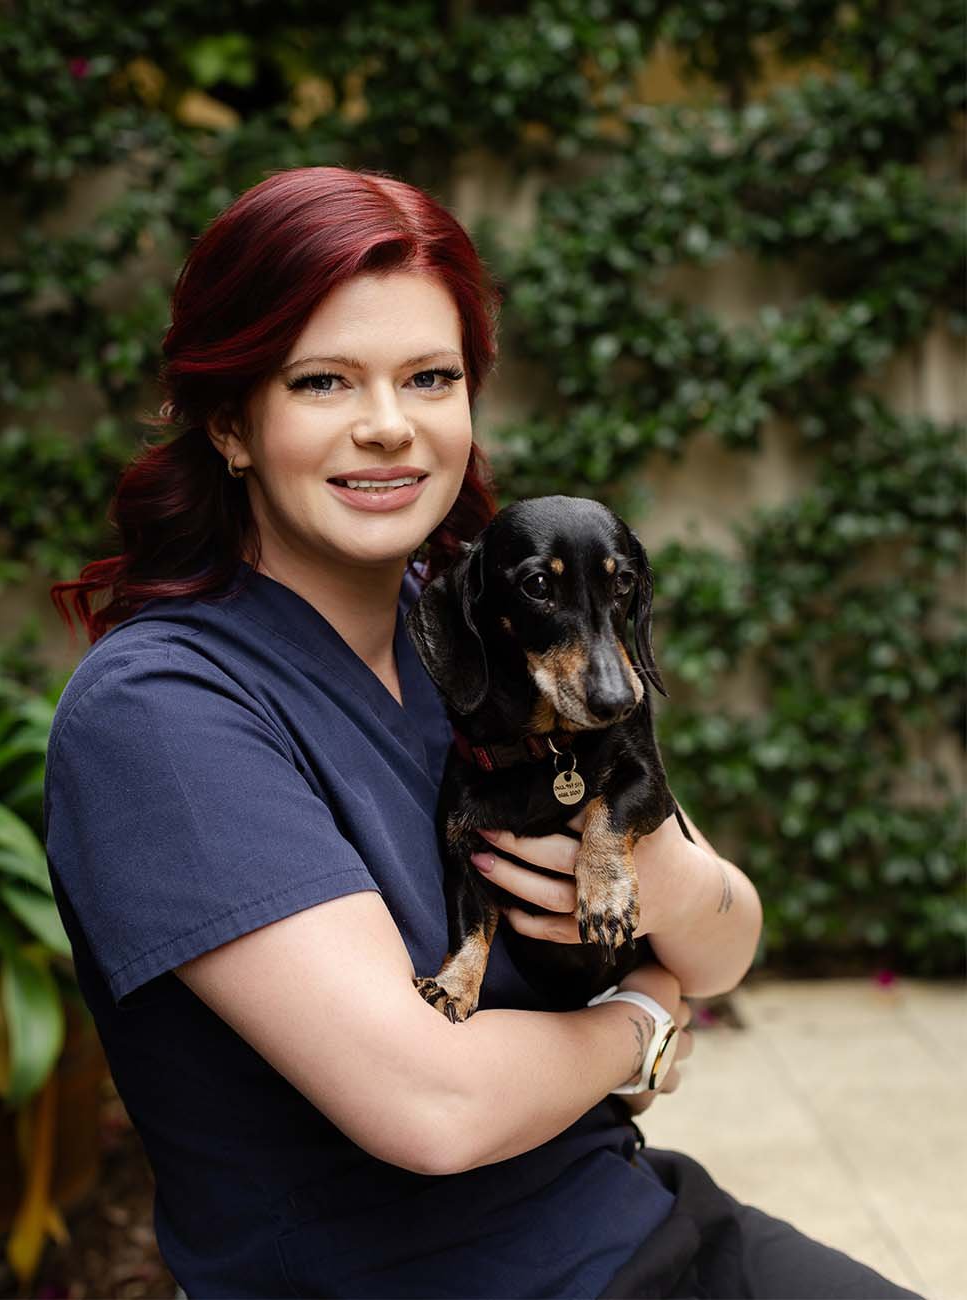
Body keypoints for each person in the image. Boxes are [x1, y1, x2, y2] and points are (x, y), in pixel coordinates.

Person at [46, 166, 921, 1300]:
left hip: (633, 1219)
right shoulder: (164, 713)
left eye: (430, 377)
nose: (388, 427)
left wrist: (655, 881)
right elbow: (436, 1103)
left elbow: (725, 931)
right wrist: (645, 1020)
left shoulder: (483, 623)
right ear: (230, 422)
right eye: (322, 381)